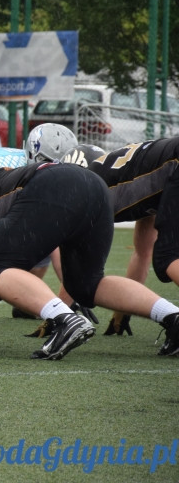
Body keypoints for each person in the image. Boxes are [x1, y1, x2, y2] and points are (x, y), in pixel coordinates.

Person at [0, 143, 179, 360]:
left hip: (55, 183)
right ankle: (172, 317)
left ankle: (64, 319)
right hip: (95, 186)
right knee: (87, 283)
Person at [66, 138, 179, 343]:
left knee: (168, 256)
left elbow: (72, 262)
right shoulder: (139, 175)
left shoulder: (84, 189)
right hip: (170, 161)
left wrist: (60, 313)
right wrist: (123, 310)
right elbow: (142, 251)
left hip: (174, 161)